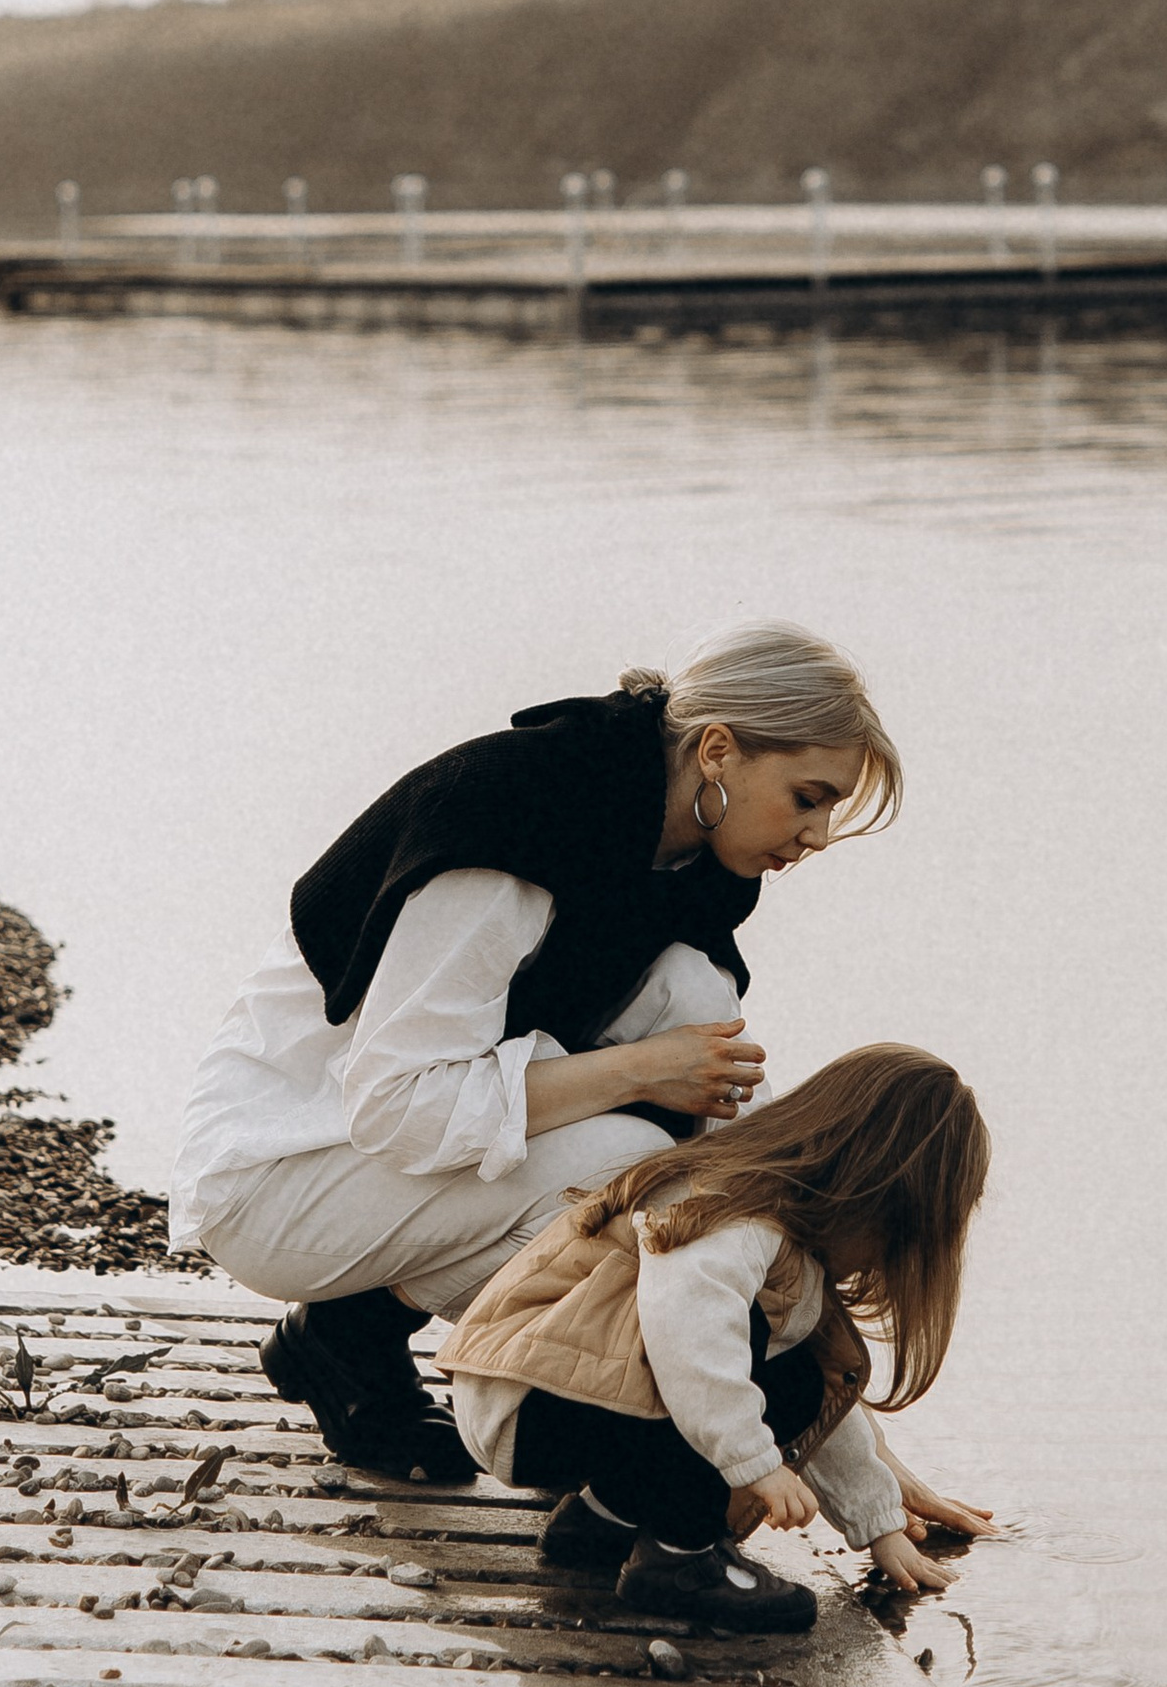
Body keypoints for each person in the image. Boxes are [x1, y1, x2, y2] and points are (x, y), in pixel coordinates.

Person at [166, 626, 902, 1483]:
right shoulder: (517, 820)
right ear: (716, 751)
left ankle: (352, 1336)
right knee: (630, 1165)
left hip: (384, 1169)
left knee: (687, 1173)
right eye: (808, 797)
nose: (818, 835)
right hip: (276, 1173)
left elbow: (740, 1156)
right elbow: (397, 1103)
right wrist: (639, 1071)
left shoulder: (686, 871)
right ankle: (576, 1437)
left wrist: (854, 1447)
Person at [441, 1044, 992, 1630]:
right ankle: (681, 1558)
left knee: (799, 1378)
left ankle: (602, 1524)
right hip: (529, 1405)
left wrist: (879, 1525)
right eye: (893, 1241)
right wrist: (755, 1463)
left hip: (548, 1396)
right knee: (731, 1335)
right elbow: (690, 1332)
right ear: (870, 1196)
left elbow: (824, 1415)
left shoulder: (785, 1233)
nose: (879, 1264)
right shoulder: (737, 1209)